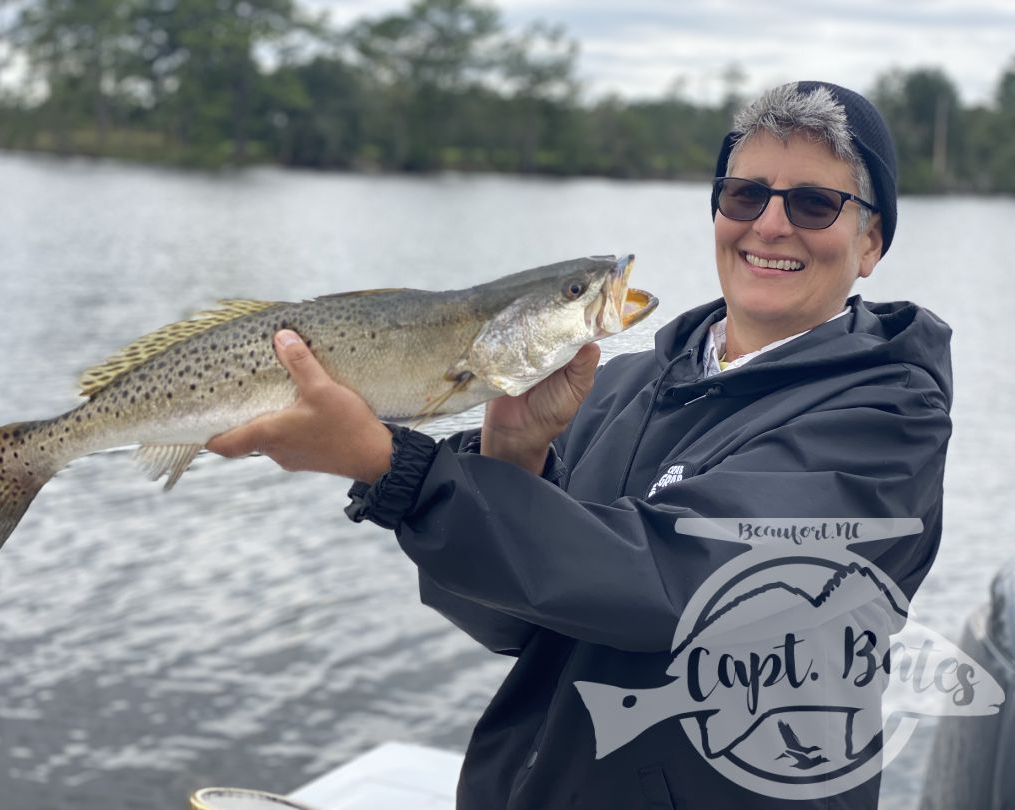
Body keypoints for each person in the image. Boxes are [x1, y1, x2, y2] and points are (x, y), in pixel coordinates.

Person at [207, 81, 952, 809]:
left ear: (870, 243)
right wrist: (512, 462)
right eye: (744, 195)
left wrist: (390, 465)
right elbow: (509, 620)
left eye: (814, 203)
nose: (769, 225)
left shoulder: (887, 420)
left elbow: (683, 588)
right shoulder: (622, 383)